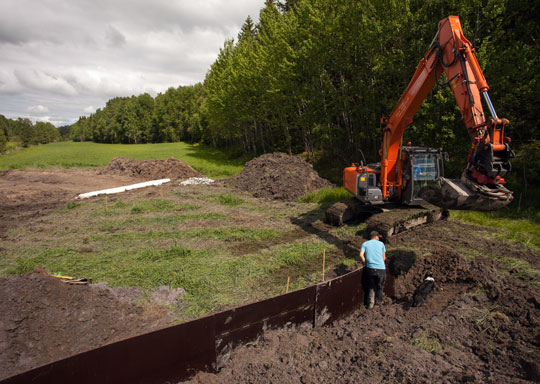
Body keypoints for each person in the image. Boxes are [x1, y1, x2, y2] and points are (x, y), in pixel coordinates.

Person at [359, 230, 386, 309]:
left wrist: (365, 262)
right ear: (376, 237)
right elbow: (383, 258)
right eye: (378, 237)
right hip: (381, 269)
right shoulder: (381, 244)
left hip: (370, 268)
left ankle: (370, 304)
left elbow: (361, 254)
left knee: (371, 286)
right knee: (380, 286)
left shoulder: (365, 244)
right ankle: (378, 305)